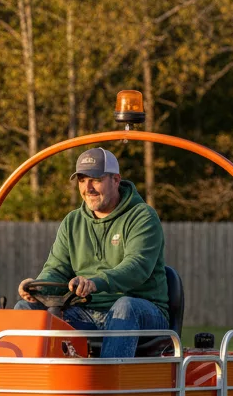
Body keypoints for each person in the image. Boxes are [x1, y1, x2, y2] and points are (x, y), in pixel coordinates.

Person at [15, 147, 168, 358]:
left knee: (125, 306)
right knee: (26, 308)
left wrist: (95, 282)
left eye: (96, 179)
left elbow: (136, 267)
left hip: (143, 312)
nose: (88, 188)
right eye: (82, 180)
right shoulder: (72, 222)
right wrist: (37, 287)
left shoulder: (142, 216)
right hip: (85, 312)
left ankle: (109, 378)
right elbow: (57, 270)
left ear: (116, 180)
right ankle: (24, 376)